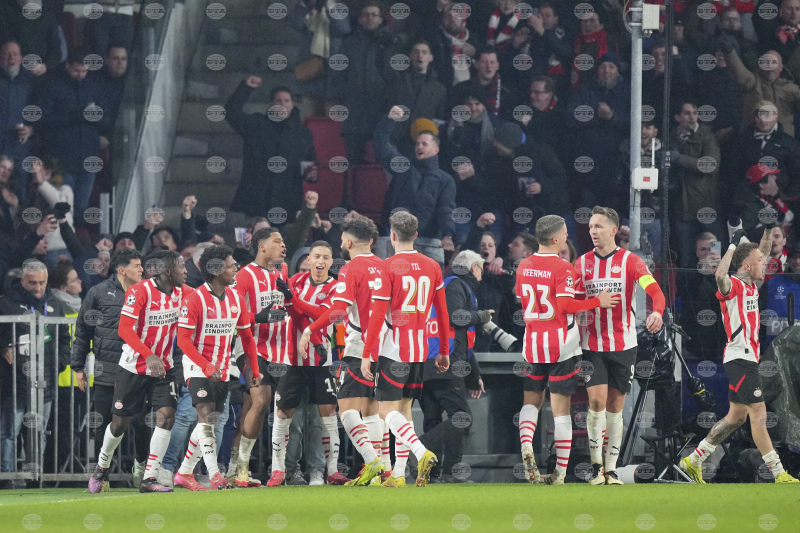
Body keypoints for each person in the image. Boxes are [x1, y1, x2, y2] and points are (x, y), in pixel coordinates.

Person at [680, 229, 799, 484]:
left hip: (746, 358)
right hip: (740, 358)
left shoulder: (752, 285)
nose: (765, 264)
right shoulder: (733, 285)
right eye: (760, 262)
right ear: (747, 265)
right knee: (759, 413)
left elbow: (762, 251)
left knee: (736, 417)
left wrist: (767, 229)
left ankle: (695, 459)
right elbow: (719, 275)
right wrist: (732, 245)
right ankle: (779, 473)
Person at [515, 215, 618, 485]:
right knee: (561, 411)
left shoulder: (524, 266)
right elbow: (565, 306)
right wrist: (597, 301)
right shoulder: (564, 268)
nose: (566, 237)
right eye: (564, 233)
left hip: (532, 344)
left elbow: (523, 298)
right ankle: (559, 473)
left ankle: (526, 444)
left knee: (531, 402)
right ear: (555, 239)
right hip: (561, 346)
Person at [574, 206, 665, 486]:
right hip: (591, 344)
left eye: (598, 226)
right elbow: (571, 302)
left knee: (615, 406)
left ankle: (612, 469)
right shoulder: (581, 263)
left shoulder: (631, 261)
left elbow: (655, 291)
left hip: (623, 345)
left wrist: (657, 312)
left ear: (614, 230)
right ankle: (596, 468)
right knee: (596, 402)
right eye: (590, 227)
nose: (593, 231)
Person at [360, 211, 451, 487]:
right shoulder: (432, 266)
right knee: (404, 409)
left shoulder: (387, 267)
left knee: (386, 411)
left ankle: (421, 453)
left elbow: (378, 316)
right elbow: (443, 313)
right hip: (419, 349)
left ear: (392, 236)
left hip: (394, 349)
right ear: (416, 235)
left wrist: (367, 353)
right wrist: (443, 349)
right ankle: (399, 474)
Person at [298, 217, 391, 486]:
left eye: (341, 240)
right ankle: (383, 469)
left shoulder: (350, 269)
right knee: (371, 409)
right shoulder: (385, 266)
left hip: (361, 346)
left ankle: (373, 462)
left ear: (349, 242)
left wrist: (310, 330)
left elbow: (338, 311)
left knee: (347, 410)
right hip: (387, 347)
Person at [88, 250, 191, 493]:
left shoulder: (184, 293)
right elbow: (124, 329)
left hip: (163, 368)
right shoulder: (140, 291)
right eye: (181, 267)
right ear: (167, 271)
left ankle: (149, 478)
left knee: (167, 416)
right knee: (119, 425)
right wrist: (148, 354)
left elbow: (209, 299)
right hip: (133, 367)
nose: (186, 271)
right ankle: (102, 466)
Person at [173, 245, 261, 491]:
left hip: (222, 368)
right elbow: (183, 341)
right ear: (215, 270)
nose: (236, 269)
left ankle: (184, 472)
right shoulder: (194, 299)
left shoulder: (235, 299)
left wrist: (254, 369)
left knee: (209, 422)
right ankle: (216, 476)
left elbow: (247, 337)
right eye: (231, 266)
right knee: (205, 415)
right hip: (197, 367)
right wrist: (205, 365)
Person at [269, 241, 349, 486]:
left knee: (323, 417)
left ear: (331, 261)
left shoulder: (336, 287)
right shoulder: (296, 281)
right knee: (285, 416)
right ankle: (281, 470)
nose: (321, 261)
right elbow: (294, 314)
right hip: (292, 359)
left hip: (322, 361)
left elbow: (321, 315)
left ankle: (325, 470)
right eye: (317, 256)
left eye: (326, 257)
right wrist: (293, 302)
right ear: (309, 259)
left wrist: (293, 299)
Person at [71, 249, 153, 485]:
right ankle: (102, 474)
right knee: (104, 423)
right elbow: (83, 331)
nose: (142, 270)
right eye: (137, 265)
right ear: (121, 270)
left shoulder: (148, 292)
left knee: (141, 422)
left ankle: (141, 468)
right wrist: (78, 367)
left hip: (138, 368)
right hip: (107, 368)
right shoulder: (98, 293)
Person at [231, 227, 292, 487]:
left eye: (283, 241)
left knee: (276, 406)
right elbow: (231, 314)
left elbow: (288, 307)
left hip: (281, 349)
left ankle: (275, 468)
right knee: (262, 398)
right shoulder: (244, 276)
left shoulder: (282, 271)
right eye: (277, 241)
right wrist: (257, 317)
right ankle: (242, 467)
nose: (283, 245)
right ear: (262, 247)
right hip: (251, 348)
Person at [0, 261, 71, 479]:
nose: (38, 287)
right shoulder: (6, 303)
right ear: (23, 281)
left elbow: (65, 340)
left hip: (44, 380)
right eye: (32, 283)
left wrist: (58, 364)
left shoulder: (55, 303)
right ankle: (6, 477)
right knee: (9, 432)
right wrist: (3, 348)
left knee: (39, 432)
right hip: (14, 381)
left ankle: (34, 477)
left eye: (42, 282)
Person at [422, 250, 486, 483]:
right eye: (481, 270)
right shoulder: (456, 285)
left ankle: (435, 473)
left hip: (428, 361)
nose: (482, 277)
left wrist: (474, 376)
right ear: (473, 268)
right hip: (444, 362)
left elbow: (462, 340)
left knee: (434, 418)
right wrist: (481, 316)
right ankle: (420, 447)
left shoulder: (445, 285)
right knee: (461, 417)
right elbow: (455, 318)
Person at [226, 78, 317, 221]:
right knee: (253, 235)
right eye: (278, 101)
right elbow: (231, 112)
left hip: (288, 203)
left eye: (287, 101)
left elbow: (310, 164)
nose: (283, 105)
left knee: (285, 236)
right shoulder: (256, 124)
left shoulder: (303, 133)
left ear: (292, 104)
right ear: (271, 104)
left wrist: (311, 174)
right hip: (257, 202)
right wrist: (246, 87)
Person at [376, 106, 456, 267]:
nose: (419, 146)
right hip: (399, 239)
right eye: (417, 143)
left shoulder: (445, 180)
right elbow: (381, 145)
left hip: (429, 242)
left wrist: (448, 235)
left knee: (434, 282)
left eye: (424, 144)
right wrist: (389, 120)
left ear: (436, 150)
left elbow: (445, 209)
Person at [36, 50, 109, 221]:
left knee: (80, 208)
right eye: (77, 70)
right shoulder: (52, 86)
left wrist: (96, 117)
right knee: (61, 207)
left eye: (84, 71)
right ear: (68, 65)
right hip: (61, 160)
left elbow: (106, 118)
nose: (80, 75)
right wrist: (74, 115)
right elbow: (42, 120)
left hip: (88, 159)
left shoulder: (92, 87)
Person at [329, 1, 395, 164]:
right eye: (365, 15)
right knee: (353, 165)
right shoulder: (348, 43)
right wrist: (347, 95)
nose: (370, 18)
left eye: (374, 15)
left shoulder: (389, 43)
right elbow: (338, 74)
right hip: (354, 114)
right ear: (359, 19)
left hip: (381, 112)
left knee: (383, 166)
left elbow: (396, 77)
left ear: (381, 19)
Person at [669, 99, 723, 268]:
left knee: (715, 258)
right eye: (687, 113)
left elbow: (711, 165)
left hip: (707, 205)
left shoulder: (707, 136)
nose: (692, 117)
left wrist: (680, 159)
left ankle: (716, 285)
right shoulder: (670, 138)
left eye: (695, 113)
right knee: (686, 258)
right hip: (682, 207)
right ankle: (687, 286)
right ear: (677, 117)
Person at [386, 40, 447, 154]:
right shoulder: (398, 82)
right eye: (416, 52)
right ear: (410, 56)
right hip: (397, 145)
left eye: (424, 52)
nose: (420, 55)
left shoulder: (440, 90)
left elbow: (438, 119)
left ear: (431, 57)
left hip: (422, 147)